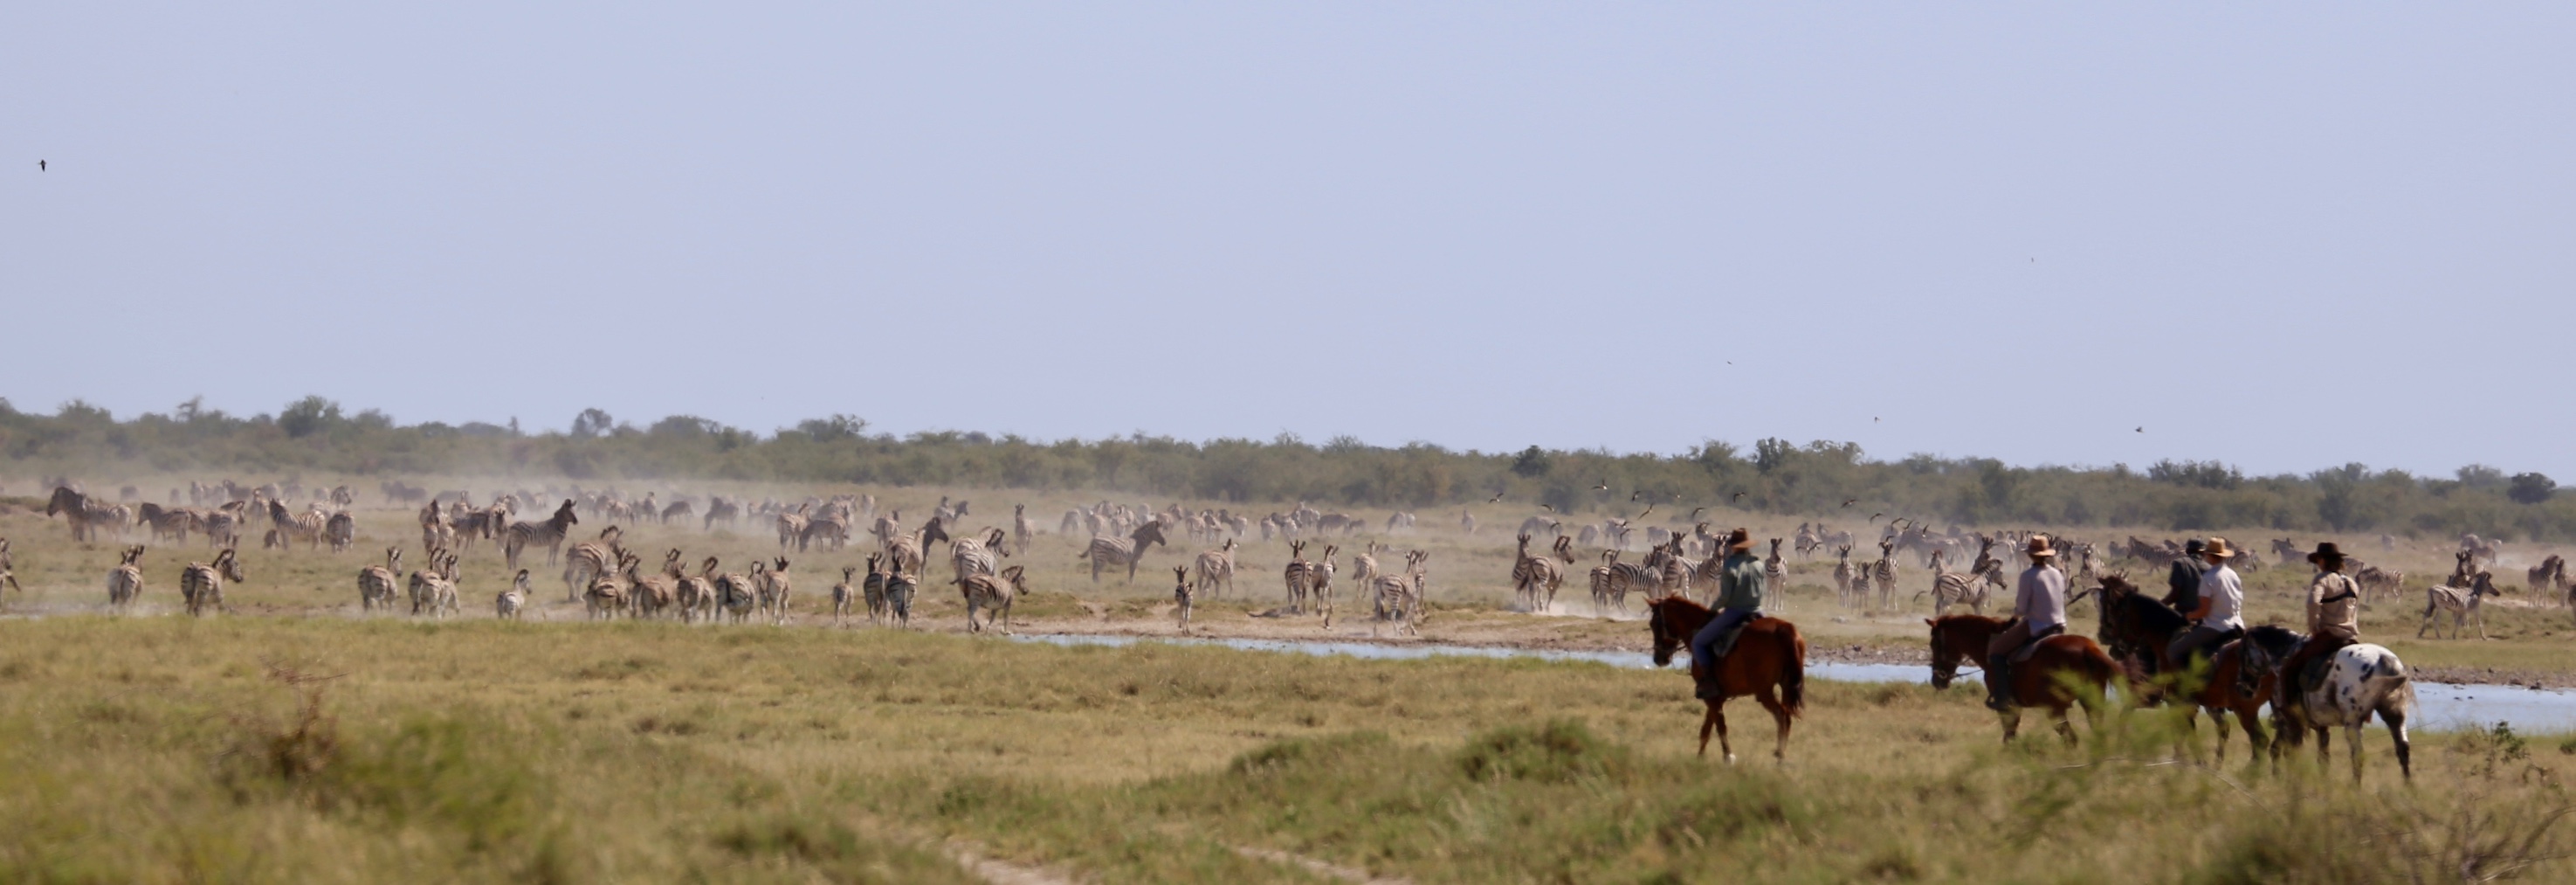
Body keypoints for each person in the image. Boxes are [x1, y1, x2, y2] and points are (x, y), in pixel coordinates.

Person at [2273, 542, 2361, 710]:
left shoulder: (2322, 579)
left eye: (2318, 560)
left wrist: (2314, 628)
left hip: (2329, 636)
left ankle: (2292, 713)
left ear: (2322, 560)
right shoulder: (2351, 582)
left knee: (2288, 670)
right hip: (2351, 637)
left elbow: (2313, 603)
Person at [1984, 536, 2069, 711]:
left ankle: (2003, 698)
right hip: (2060, 625)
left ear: (2030, 555)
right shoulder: (2057, 574)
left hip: (2037, 626)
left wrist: (2012, 621)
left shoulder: (2028, 576)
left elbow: (2021, 608)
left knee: (1996, 651)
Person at [1691, 528, 1765, 700]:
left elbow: (1724, 597)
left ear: (1733, 547)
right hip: (1758, 611)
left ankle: (1709, 681)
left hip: (1735, 613)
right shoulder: (1759, 564)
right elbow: (1763, 591)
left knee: (1698, 643)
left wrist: (1712, 610)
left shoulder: (1730, 566)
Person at [2164, 537, 2244, 684]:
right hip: (2237, 625)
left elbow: (2204, 611)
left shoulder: (2209, 577)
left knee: (2173, 651)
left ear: (2209, 555)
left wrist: (2189, 616)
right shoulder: (2233, 575)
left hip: (2215, 627)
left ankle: (2186, 691)